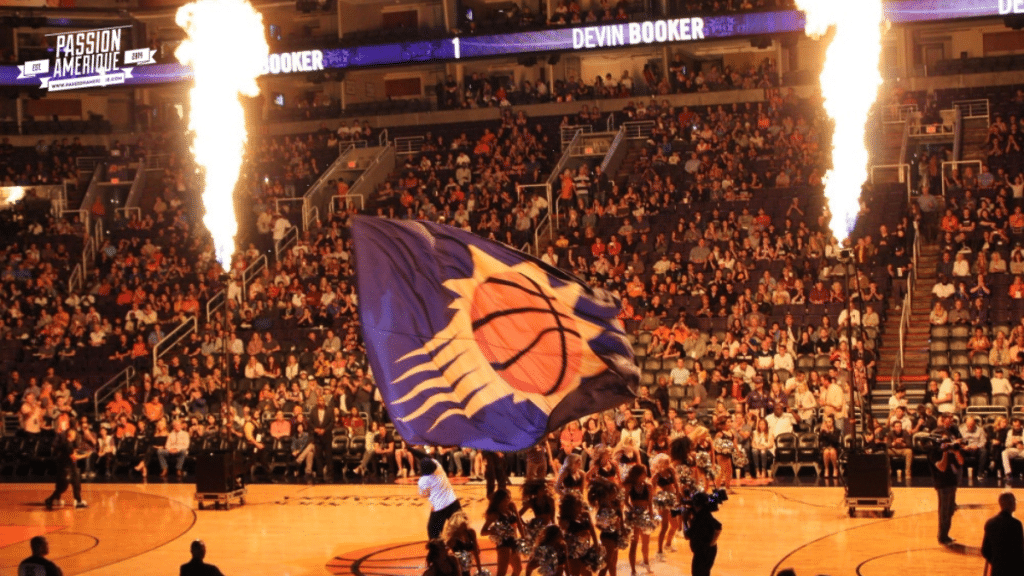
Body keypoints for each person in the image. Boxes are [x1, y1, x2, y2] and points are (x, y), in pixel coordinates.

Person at [930, 416, 964, 545]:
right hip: (942, 482)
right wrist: (945, 453)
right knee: (944, 511)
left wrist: (956, 452)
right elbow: (942, 467)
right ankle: (942, 536)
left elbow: (961, 462)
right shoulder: (934, 451)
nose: (947, 441)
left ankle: (946, 534)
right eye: (944, 439)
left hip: (952, 481)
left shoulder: (951, 449)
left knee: (950, 511)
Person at [982, 493, 1024, 576]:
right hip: (1014, 570)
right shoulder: (1016, 524)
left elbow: (985, 550)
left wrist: (996, 562)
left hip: (997, 570)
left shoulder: (990, 523)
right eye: (1014, 501)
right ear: (1009, 504)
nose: (1015, 503)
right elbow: (1019, 551)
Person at [419, 458, 462, 539]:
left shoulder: (423, 480)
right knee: (459, 529)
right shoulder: (439, 467)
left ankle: (438, 547)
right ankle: (463, 546)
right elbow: (426, 456)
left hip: (439, 508)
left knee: (434, 533)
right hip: (453, 502)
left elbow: (424, 494)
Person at [45, 428, 87, 510]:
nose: (75, 436)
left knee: (76, 484)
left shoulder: (68, 444)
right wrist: (85, 455)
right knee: (63, 487)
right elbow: (74, 457)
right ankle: (50, 500)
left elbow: (71, 452)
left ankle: (79, 501)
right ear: (71, 435)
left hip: (72, 468)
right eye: (74, 434)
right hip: (67, 469)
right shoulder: (67, 444)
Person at [683, 491, 722, 576]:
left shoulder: (699, 519)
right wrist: (713, 542)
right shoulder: (705, 513)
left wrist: (684, 521)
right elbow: (718, 526)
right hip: (709, 550)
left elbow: (686, 536)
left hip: (702, 553)